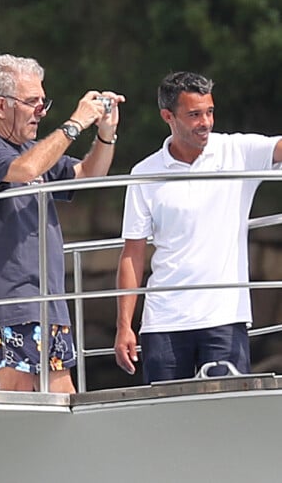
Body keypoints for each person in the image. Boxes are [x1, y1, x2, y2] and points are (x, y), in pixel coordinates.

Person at [0, 54, 124, 392]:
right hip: (9, 302)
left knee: (64, 401)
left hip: (47, 301)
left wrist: (106, 134)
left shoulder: (36, 149)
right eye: (33, 103)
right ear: (1, 106)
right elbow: (25, 170)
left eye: (43, 103)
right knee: (21, 402)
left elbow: (86, 175)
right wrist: (75, 123)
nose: (40, 112)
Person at [114, 71, 282, 383]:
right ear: (168, 116)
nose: (205, 122)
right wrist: (124, 324)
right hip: (163, 320)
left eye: (209, 112)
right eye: (194, 114)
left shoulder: (238, 152)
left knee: (228, 417)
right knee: (164, 421)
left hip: (224, 316)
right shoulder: (144, 173)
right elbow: (132, 253)